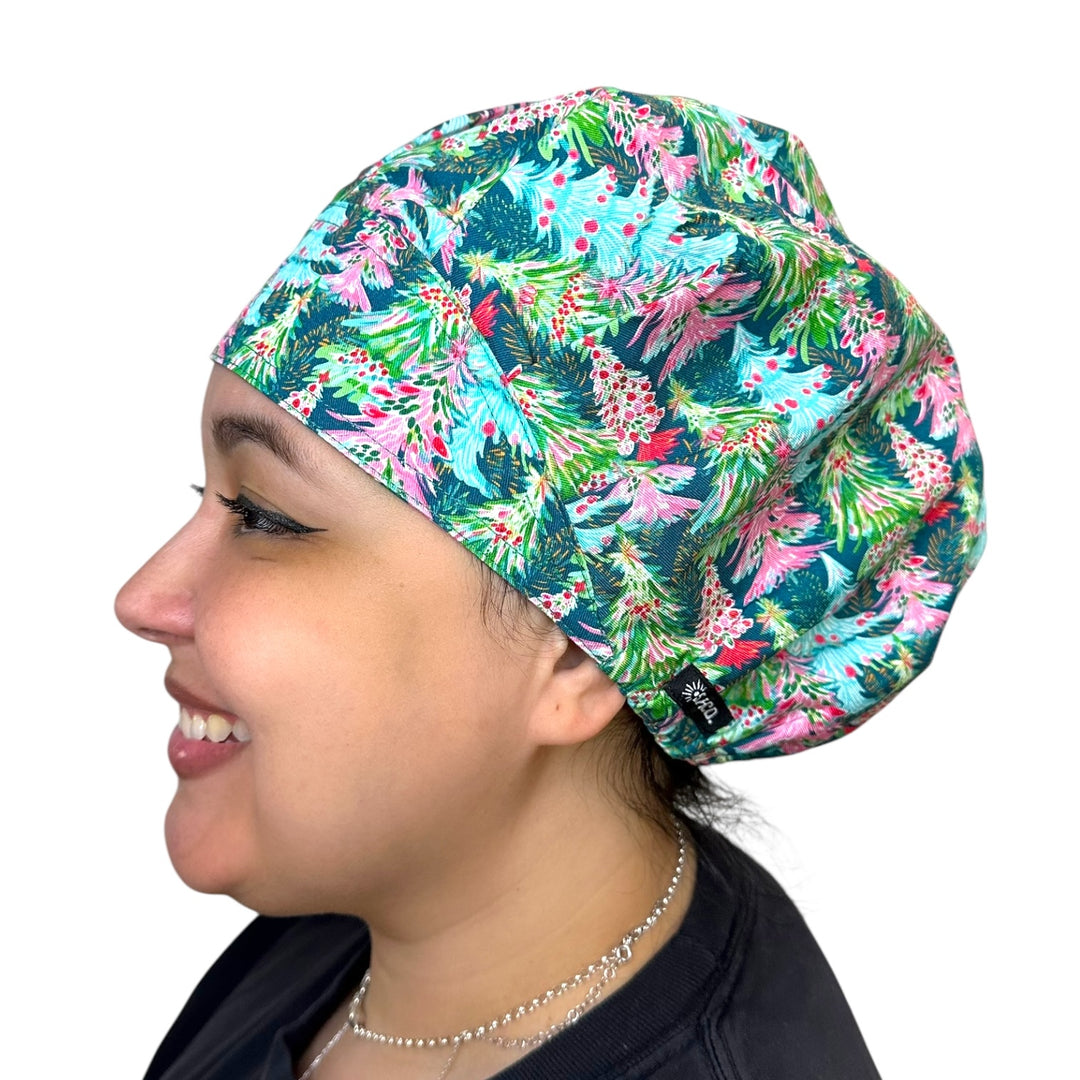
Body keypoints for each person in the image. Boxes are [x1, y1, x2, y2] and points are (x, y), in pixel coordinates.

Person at [115, 86, 985, 1079]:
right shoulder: (358, 920)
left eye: (266, 517)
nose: (142, 597)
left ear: (576, 654)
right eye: (208, 496)